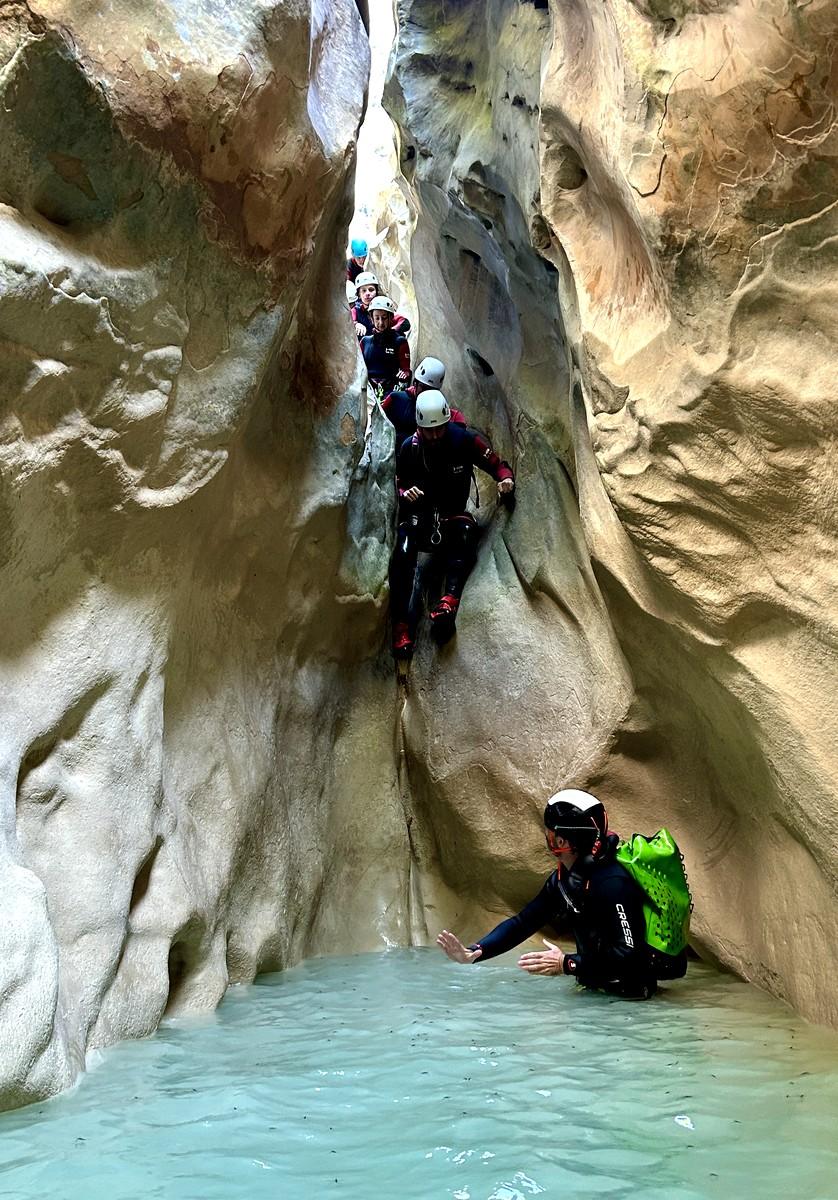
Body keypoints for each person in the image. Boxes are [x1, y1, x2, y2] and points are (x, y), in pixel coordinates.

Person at [437, 789, 688, 999]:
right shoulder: (565, 881)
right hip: (596, 995)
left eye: (552, 835)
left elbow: (630, 956)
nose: (548, 840)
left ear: (563, 842)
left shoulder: (613, 883)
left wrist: (567, 963)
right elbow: (523, 922)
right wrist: (475, 952)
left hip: (631, 1002)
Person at [390, 390, 514, 658]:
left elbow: (495, 463)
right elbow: (399, 484)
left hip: (451, 519)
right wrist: (406, 493)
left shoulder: (462, 440)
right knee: (403, 551)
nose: (435, 436)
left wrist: (504, 479)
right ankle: (401, 625)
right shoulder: (409, 449)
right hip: (420, 520)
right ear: (419, 427)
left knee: (467, 532)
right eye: (428, 431)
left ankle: (450, 600)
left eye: (439, 429)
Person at [382, 356, 466, 442]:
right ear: (415, 384)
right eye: (424, 388)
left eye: (431, 389)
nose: (426, 393)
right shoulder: (395, 400)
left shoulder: (446, 412)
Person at [360, 297, 411, 397]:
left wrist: (405, 374)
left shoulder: (400, 342)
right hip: (367, 392)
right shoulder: (365, 341)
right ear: (371, 318)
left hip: (390, 391)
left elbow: (406, 370)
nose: (381, 323)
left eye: (384, 318)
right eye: (377, 318)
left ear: (391, 317)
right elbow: (359, 368)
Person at [351, 272, 411, 340]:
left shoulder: (384, 307)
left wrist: (390, 331)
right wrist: (355, 325)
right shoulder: (355, 310)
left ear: (376, 291)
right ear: (359, 294)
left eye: (371, 290)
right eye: (363, 291)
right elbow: (347, 322)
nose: (367, 293)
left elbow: (405, 323)